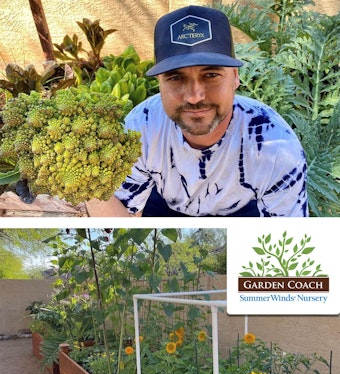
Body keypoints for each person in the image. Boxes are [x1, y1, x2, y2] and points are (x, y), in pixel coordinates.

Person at [86, 5, 308, 217]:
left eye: (211, 75)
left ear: (235, 77)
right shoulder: (141, 128)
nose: (194, 96)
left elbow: (287, 240)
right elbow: (124, 220)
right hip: (166, 207)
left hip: (241, 210)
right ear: (159, 83)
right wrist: (87, 184)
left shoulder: (275, 146)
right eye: (175, 77)